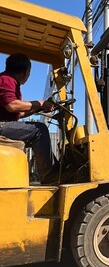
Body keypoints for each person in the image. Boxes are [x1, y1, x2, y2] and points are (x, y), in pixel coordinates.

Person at [0, 53, 59, 184]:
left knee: (37, 132)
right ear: (26, 71)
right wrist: (39, 103)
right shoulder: (7, 79)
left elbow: (18, 114)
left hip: (4, 124)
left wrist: (38, 109)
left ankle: (56, 169)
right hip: (1, 126)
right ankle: (49, 176)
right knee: (40, 130)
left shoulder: (8, 80)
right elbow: (12, 105)